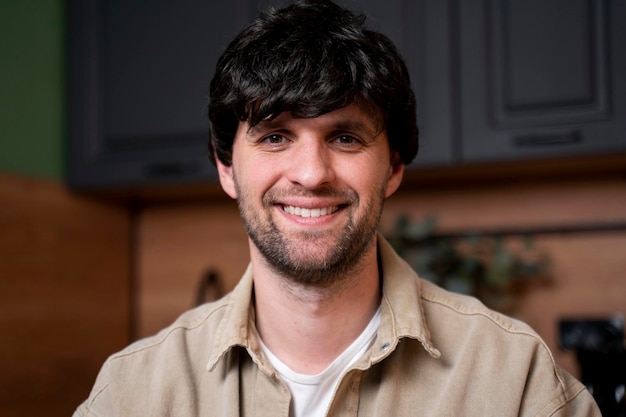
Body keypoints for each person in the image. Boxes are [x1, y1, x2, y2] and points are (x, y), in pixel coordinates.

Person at [74, 1, 601, 416]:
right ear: (226, 167)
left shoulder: (515, 382)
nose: (311, 173)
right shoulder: (132, 392)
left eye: (345, 137)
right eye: (276, 136)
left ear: (393, 166)